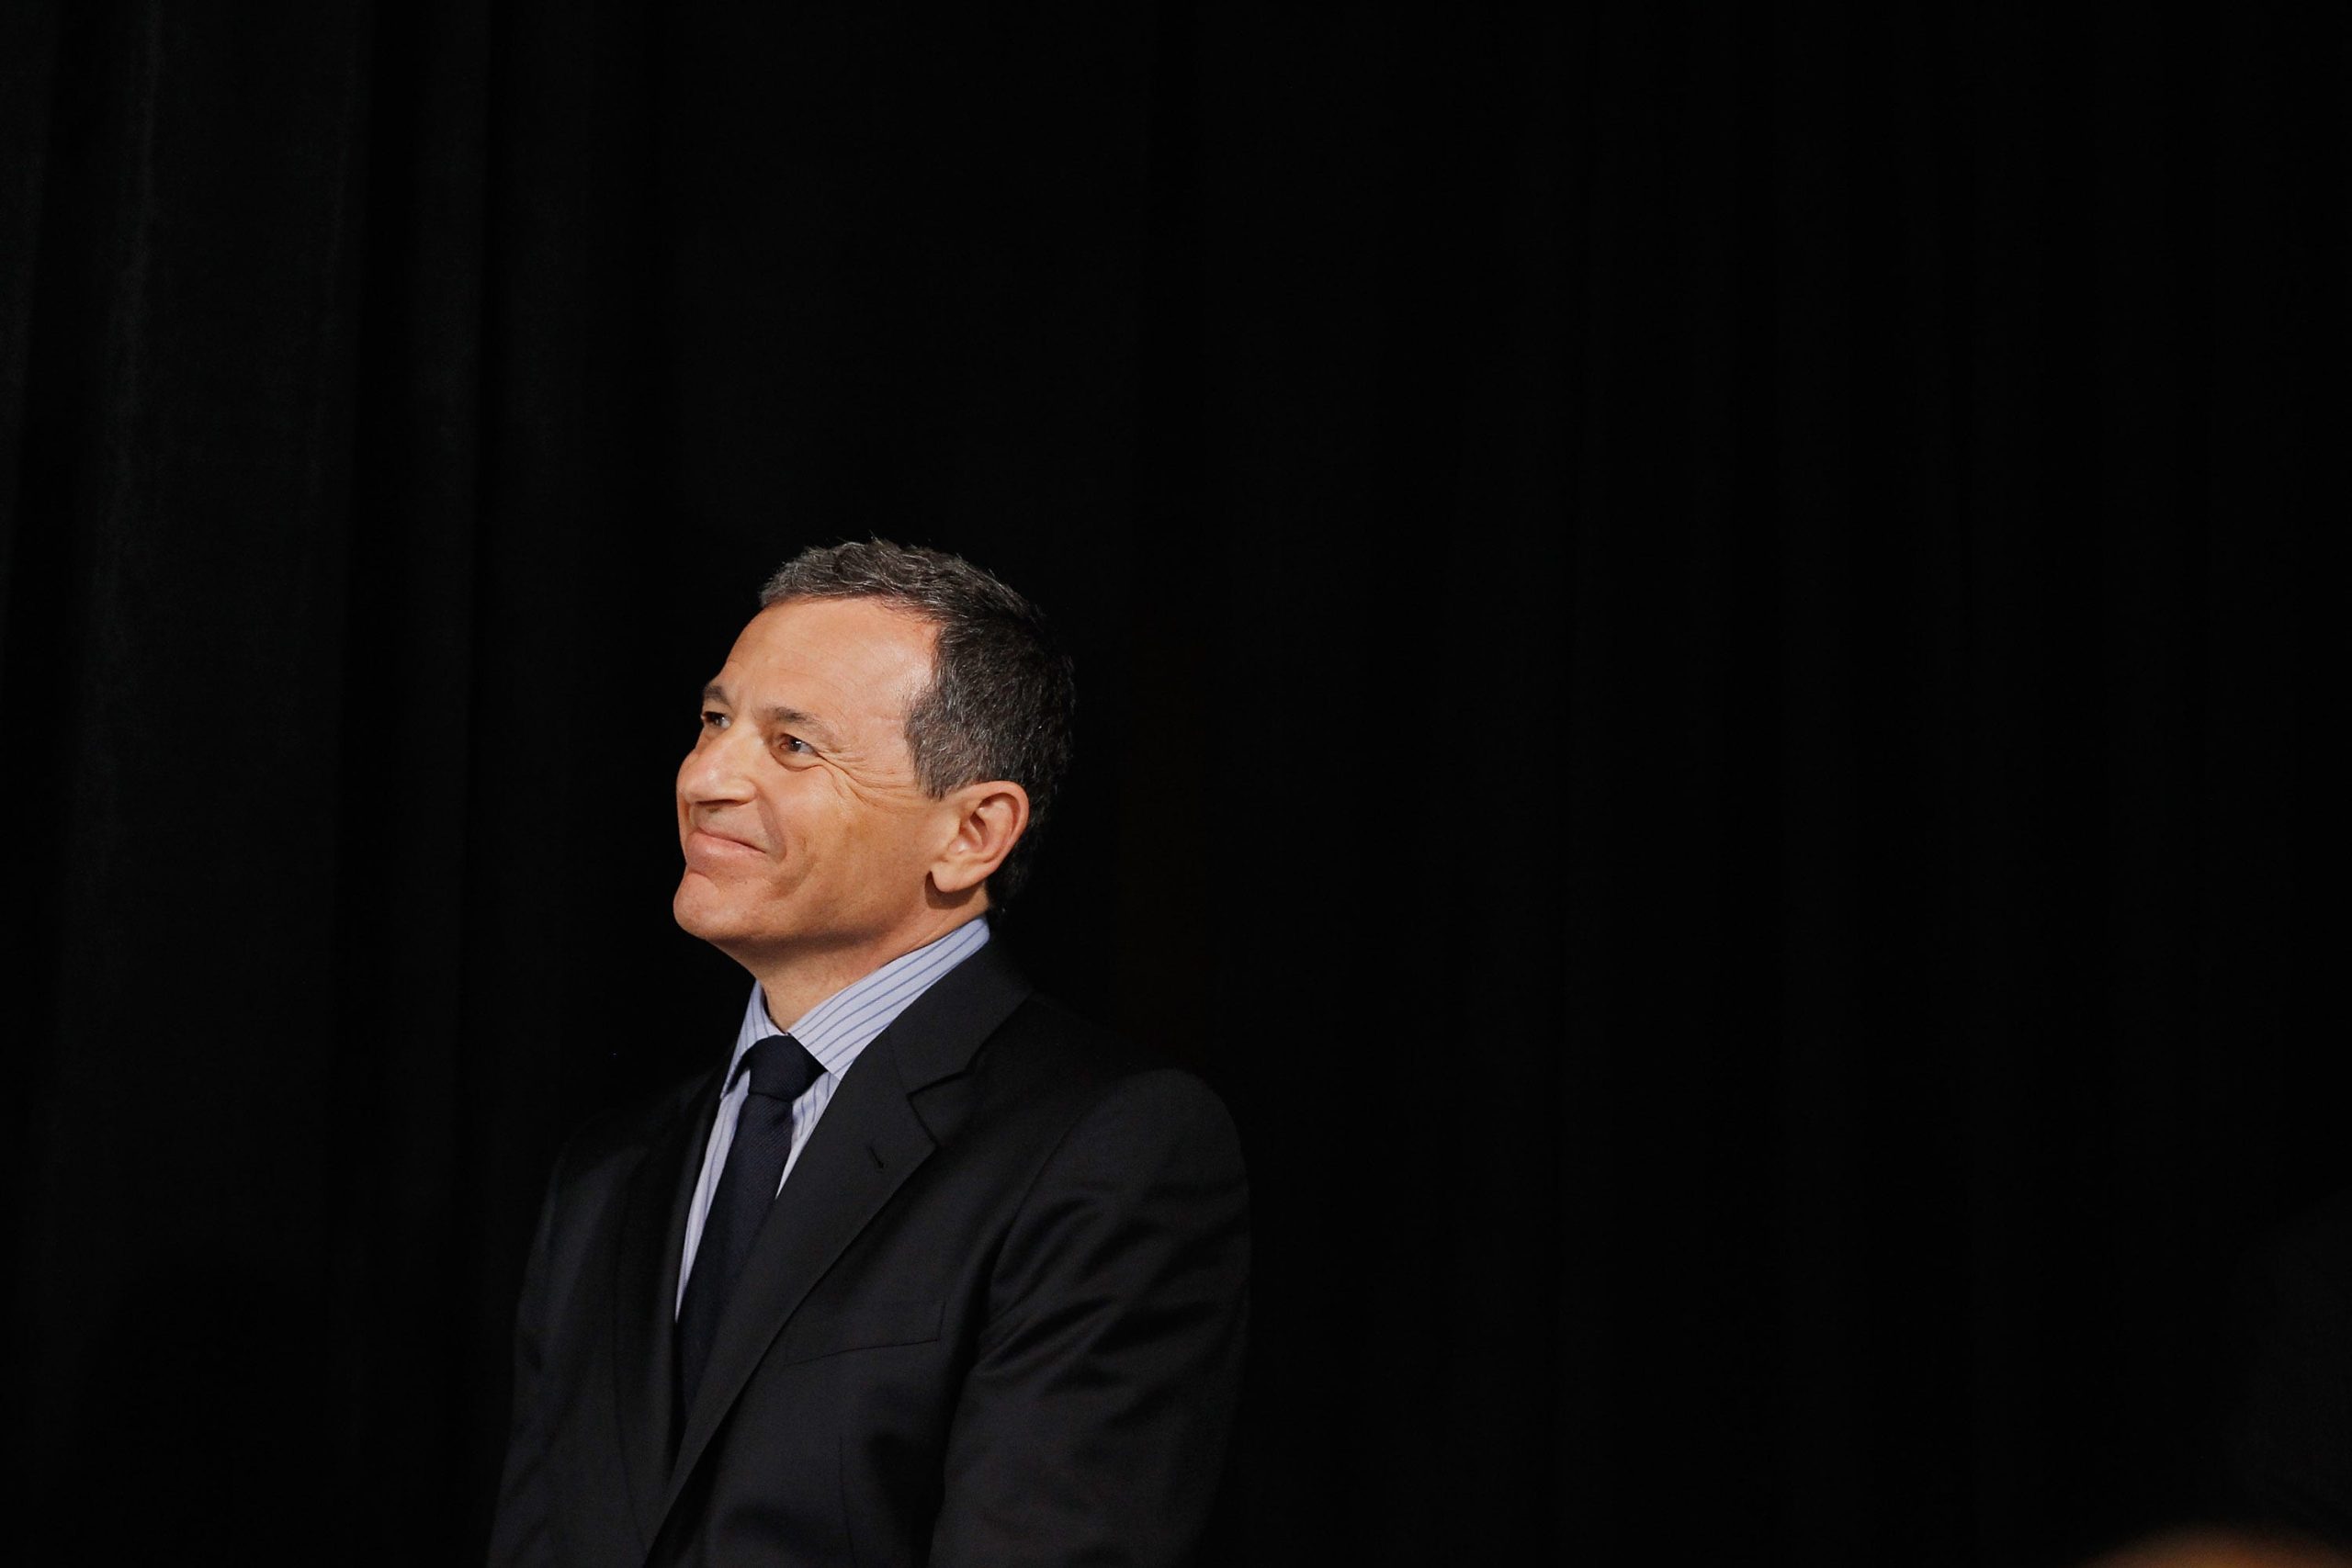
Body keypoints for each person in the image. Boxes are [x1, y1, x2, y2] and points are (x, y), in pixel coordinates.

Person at [487, 541, 1250, 1567]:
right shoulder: (609, 1175)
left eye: (793, 745)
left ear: (973, 832)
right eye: (715, 721)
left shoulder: (1109, 1150)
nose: (707, 777)